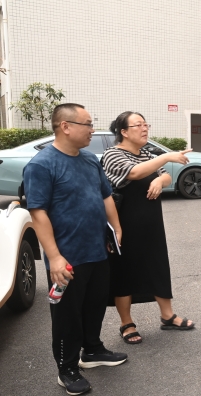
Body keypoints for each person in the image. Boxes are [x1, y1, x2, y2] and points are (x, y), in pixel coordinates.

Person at [24, 103, 128, 396]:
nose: (92, 130)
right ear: (65, 126)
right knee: (67, 315)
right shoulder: (42, 165)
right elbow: (38, 213)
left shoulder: (89, 160)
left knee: (95, 304)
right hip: (67, 257)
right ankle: (67, 368)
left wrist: (116, 227)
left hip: (97, 249)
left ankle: (92, 350)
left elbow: (105, 196)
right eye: (87, 124)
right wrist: (54, 257)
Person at [101, 111, 195, 345]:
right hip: (124, 225)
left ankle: (167, 315)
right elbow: (133, 173)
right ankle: (126, 323)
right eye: (138, 125)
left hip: (151, 224)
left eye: (146, 124)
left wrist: (159, 180)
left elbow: (166, 177)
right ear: (124, 132)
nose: (145, 128)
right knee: (124, 271)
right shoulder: (112, 154)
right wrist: (166, 157)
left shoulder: (145, 154)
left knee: (158, 266)